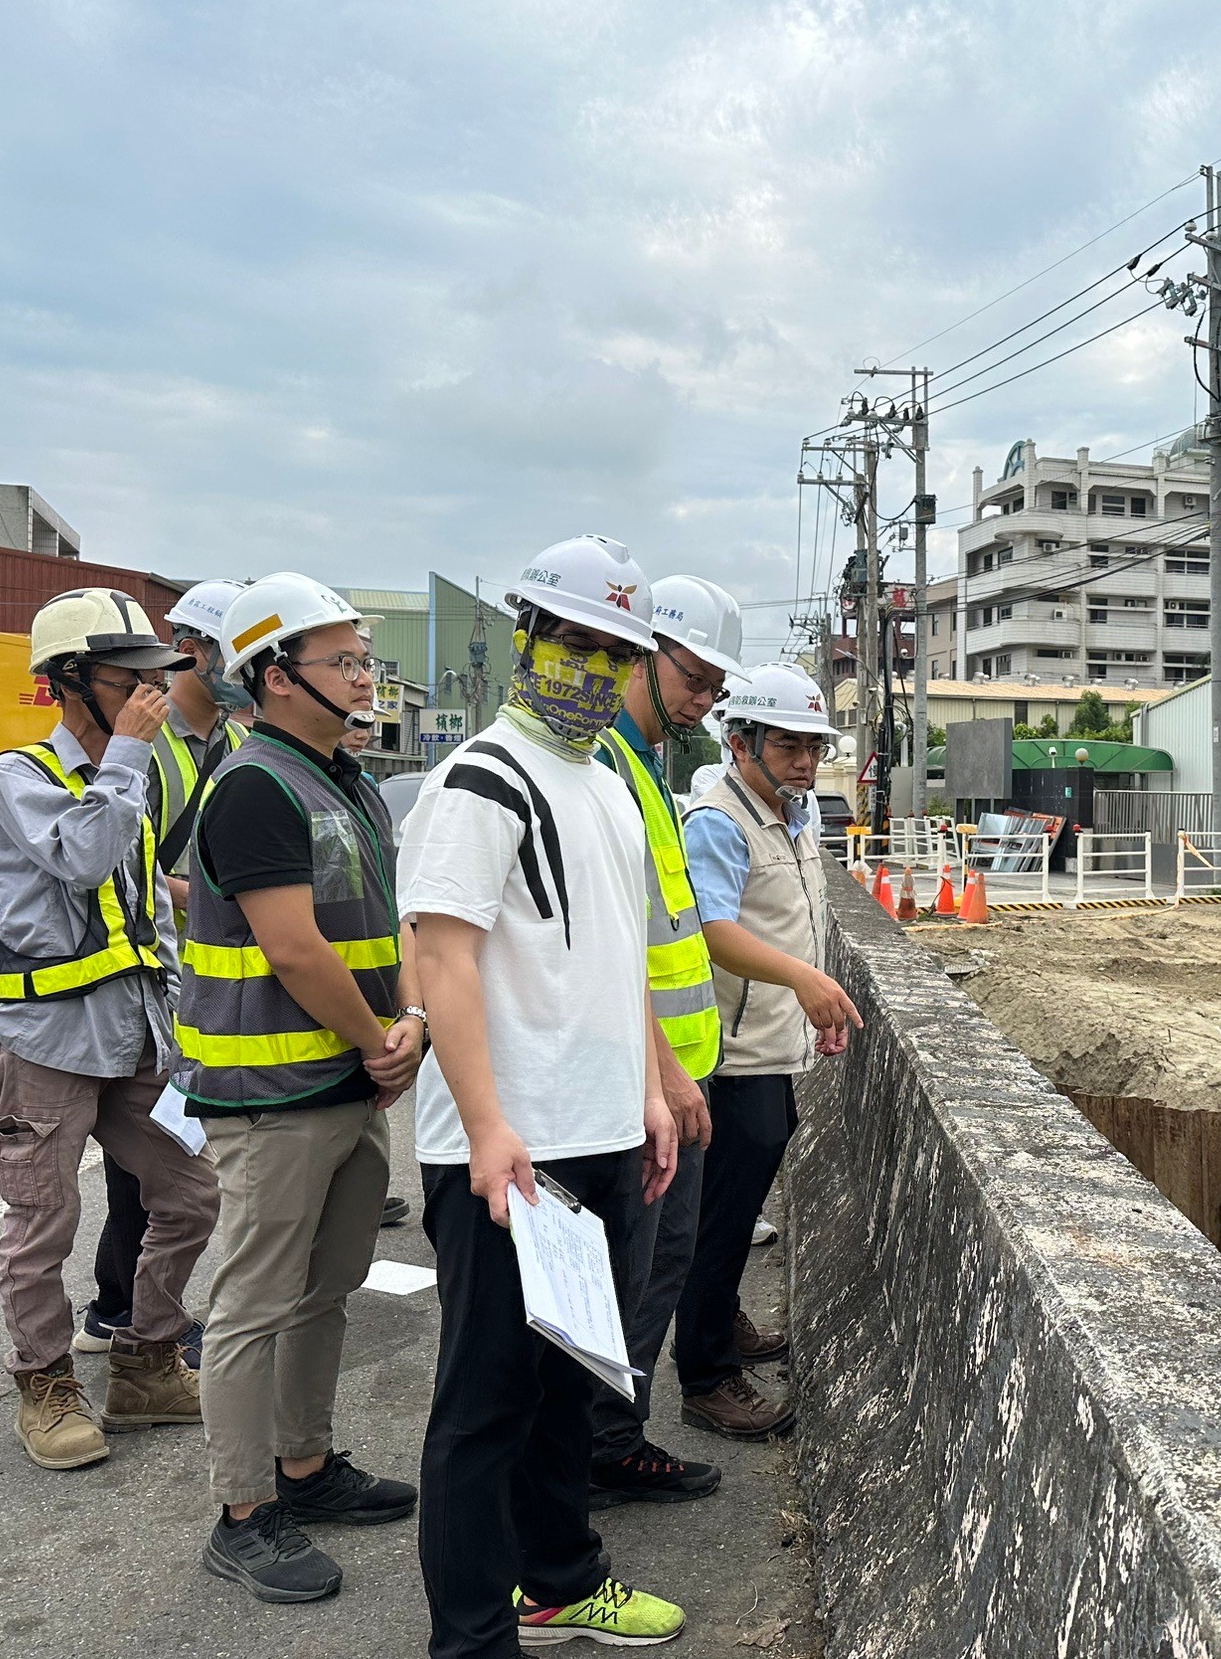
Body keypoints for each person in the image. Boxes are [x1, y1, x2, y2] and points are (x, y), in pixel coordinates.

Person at [403, 535, 687, 1653]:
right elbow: (442, 956)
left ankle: (562, 1577)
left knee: (572, 1385)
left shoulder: (610, 779)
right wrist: (484, 1127)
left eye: (612, 648)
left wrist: (654, 1090)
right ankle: (470, 1635)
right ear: (526, 634)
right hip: (515, 1149)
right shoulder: (480, 775)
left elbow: (618, 958)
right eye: (571, 637)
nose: (590, 664)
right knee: (483, 1406)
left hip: (604, 1129)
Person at [175, 573, 425, 1604]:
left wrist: (407, 1022)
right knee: (253, 1304)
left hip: (344, 1082)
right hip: (274, 1092)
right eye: (345, 661)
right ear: (276, 677)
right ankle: (244, 1515)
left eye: (364, 660)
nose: (364, 677)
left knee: (328, 1289)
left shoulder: (350, 781)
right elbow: (291, 946)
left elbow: (390, 918)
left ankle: (307, 1468)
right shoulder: (253, 786)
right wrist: (380, 1042)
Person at [0, 588, 220, 1470]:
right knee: (44, 1220)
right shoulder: (16, 778)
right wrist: (125, 758)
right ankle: (44, 1383)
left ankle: (149, 1361)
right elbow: (82, 857)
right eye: (132, 680)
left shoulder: (135, 770)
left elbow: (144, 896)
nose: (152, 697)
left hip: (133, 1035)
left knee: (191, 1193)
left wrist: (180, 1011)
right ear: (71, 682)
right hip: (43, 1042)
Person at [674, 663, 862, 1440]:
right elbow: (715, 931)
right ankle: (707, 1374)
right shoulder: (719, 820)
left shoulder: (791, 812)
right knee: (719, 1220)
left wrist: (808, 1005)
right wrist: (805, 981)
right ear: (739, 741)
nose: (805, 763)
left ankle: (723, 1324)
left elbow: (794, 919)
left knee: (742, 1202)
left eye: (813, 748)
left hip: (773, 1044)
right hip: (734, 1052)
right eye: (788, 745)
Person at [587, 575, 742, 1505]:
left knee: (659, 1260)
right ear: (645, 654)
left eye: (716, 688)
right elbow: (612, 941)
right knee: (637, 1264)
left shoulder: (646, 763)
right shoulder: (608, 764)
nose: (703, 699)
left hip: (672, 1065)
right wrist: (667, 1073)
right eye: (693, 676)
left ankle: (610, 1436)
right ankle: (603, 1445)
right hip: (646, 1073)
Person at [74, 576, 248, 1365]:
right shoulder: (143, 744)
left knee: (182, 1155)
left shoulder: (238, 746)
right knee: (144, 1164)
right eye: (235, 649)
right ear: (198, 652)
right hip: (149, 975)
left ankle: (142, 1307)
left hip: (209, 976)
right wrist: (220, 897)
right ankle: (125, 1309)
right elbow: (119, 866)